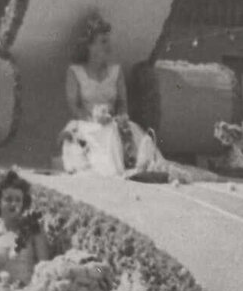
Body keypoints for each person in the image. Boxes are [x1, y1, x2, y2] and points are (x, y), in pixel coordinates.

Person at [60, 13, 165, 179]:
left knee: (125, 132)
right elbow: (74, 106)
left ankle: (139, 167)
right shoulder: (75, 72)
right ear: (90, 46)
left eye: (108, 41)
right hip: (87, 123)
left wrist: (121, 116)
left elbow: (122, 102)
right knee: (101, 134)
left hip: (114, 121)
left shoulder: (116, 71)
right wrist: (93, 118)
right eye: (103, 42)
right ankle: (113, 171)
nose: (108, 46)